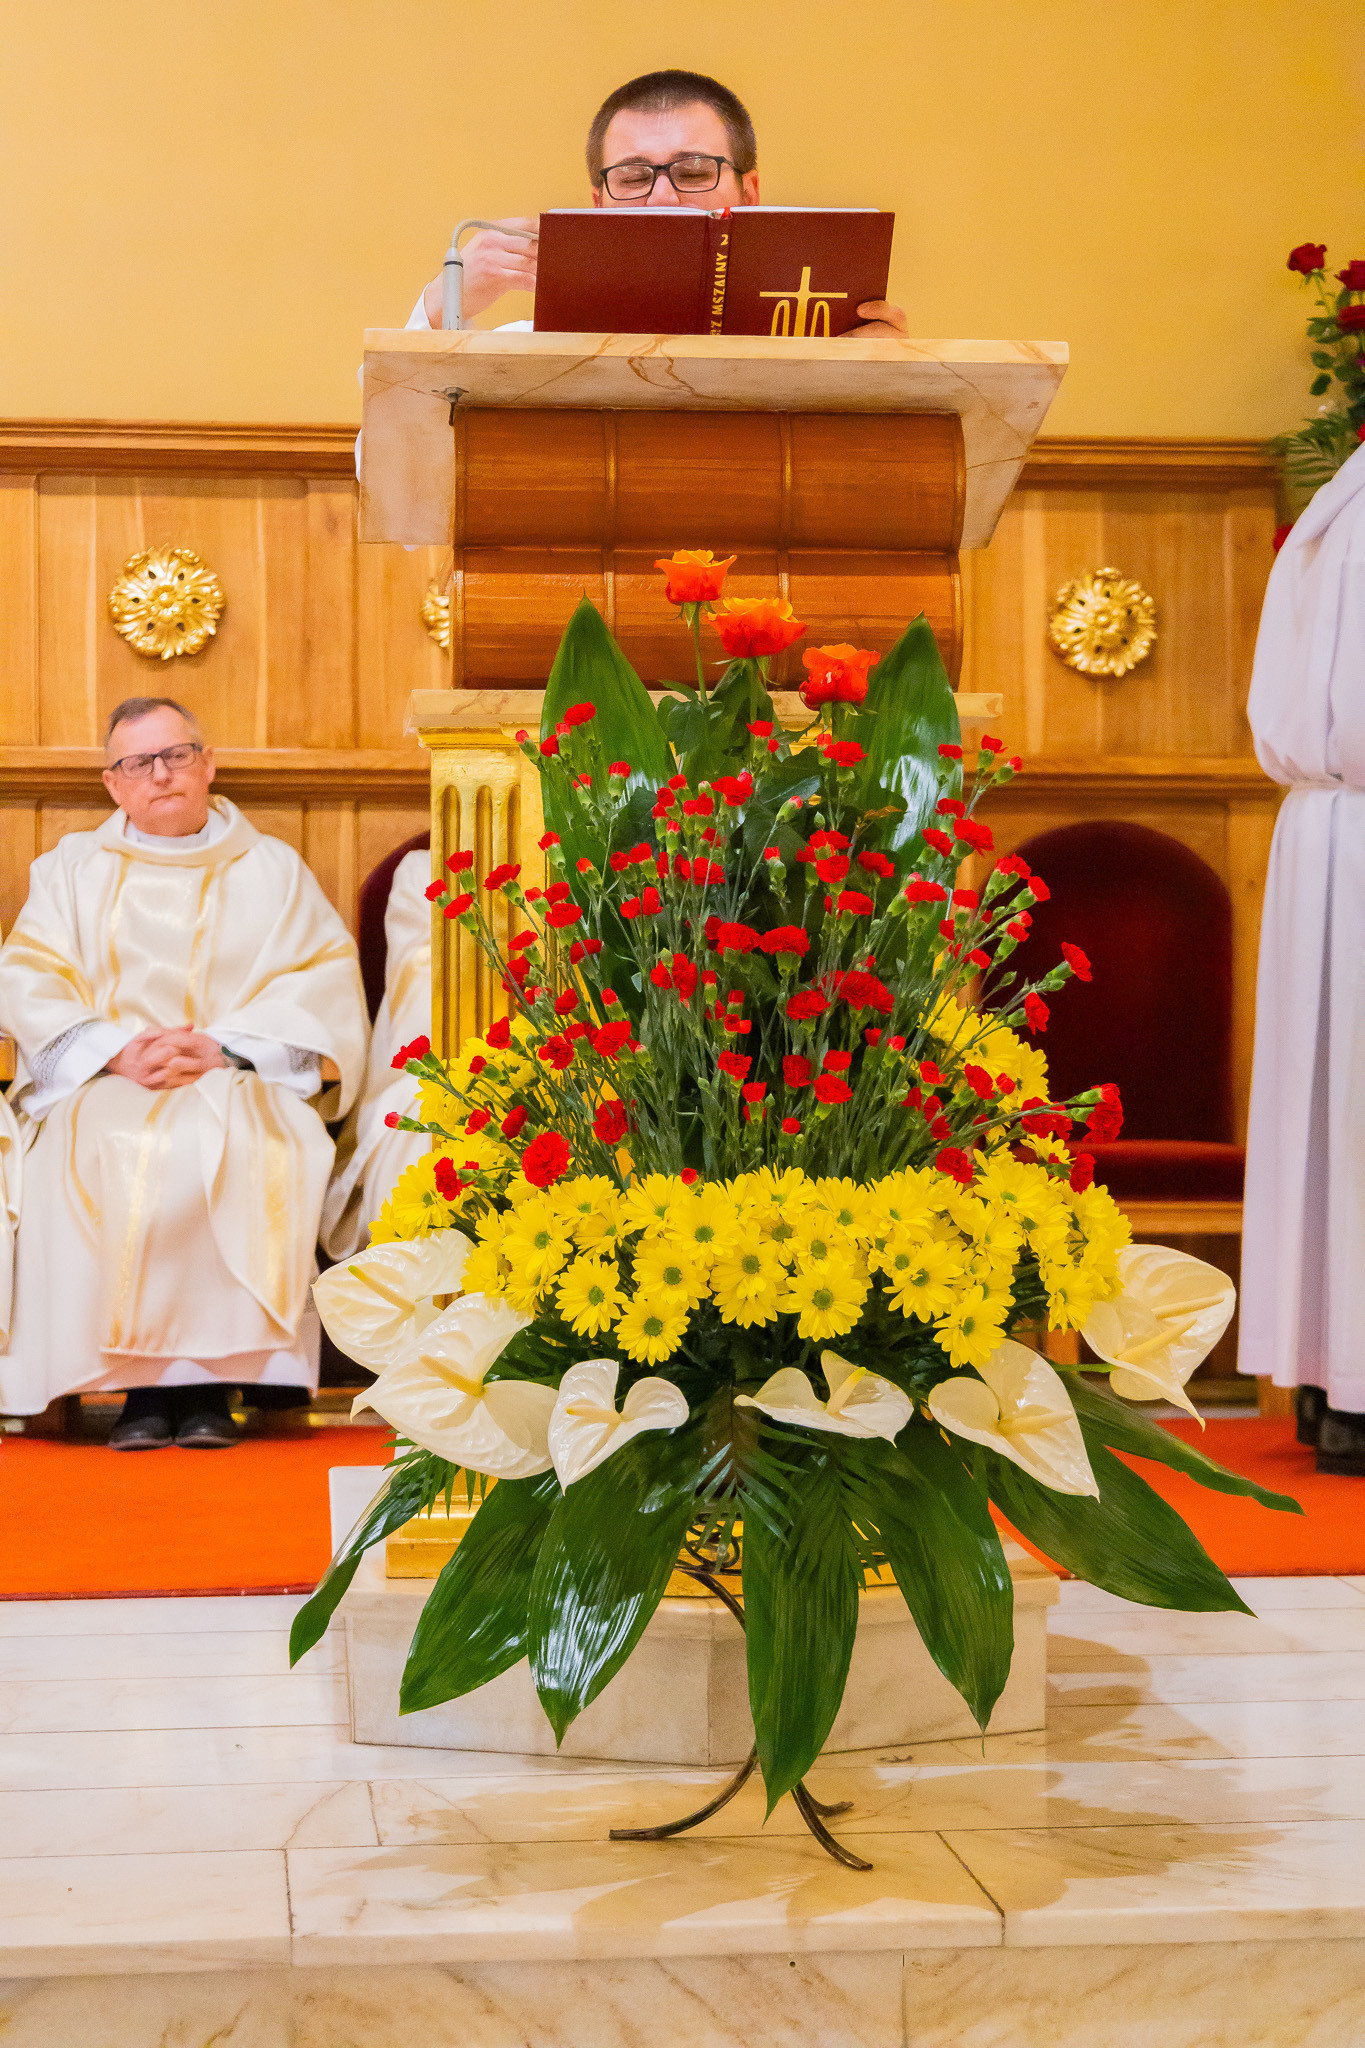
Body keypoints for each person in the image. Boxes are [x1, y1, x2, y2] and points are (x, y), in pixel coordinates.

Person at [0, 698, 369, 1449]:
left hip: (238, 1074)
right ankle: (142, 1394)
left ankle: (206, 1390)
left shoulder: (272, 869)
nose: (160, 774)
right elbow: (29, 978)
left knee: (251, 1143)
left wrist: (225, 1049)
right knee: (103, 1146)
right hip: (105, 1079)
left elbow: (322, 980)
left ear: (208, 765)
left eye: (176, 755)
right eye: (138, 763)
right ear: (113, 783)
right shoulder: (71, 870)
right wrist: (113, 1050)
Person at [405, 68, 909, 340]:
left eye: (694, 172)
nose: (664, 197)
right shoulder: (527, 350)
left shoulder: (826, 352)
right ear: (599, 203)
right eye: (633, 178)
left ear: (749, 192)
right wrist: (445, 301)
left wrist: (897, 384)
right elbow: (397, 454)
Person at [1239, 442, 1365, 1474]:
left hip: (1328, 835)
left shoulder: (1342, 498)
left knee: (1334, 1116)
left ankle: (1335, 1380)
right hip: (1347, 829)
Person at [321, 847, 431, 1258]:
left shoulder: (586, 862)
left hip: (563, 1061)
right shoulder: (424, 872)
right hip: (432, 1069)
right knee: (420, 1129)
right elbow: (417, 1002)